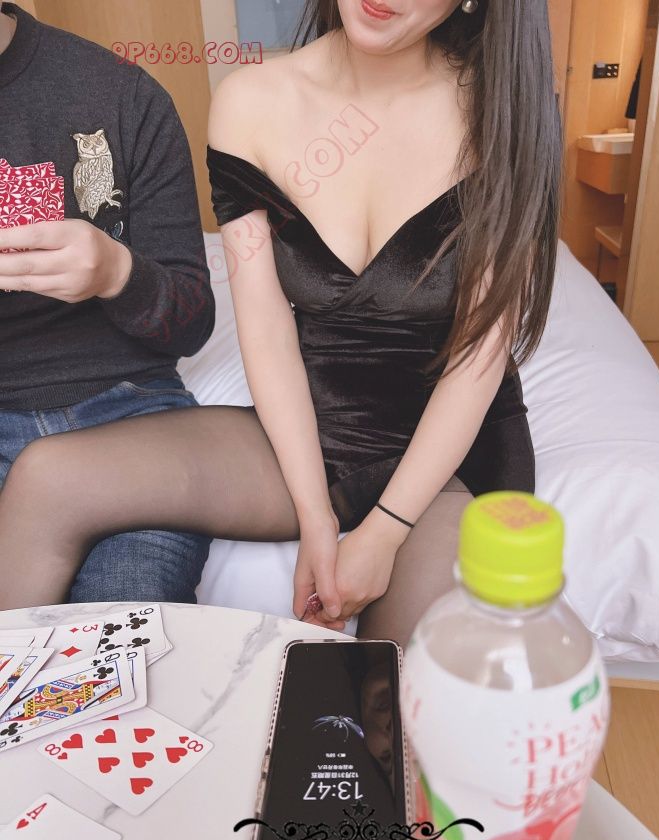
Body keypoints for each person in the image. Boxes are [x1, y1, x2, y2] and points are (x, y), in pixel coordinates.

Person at [0, 0, 561, 646]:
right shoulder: (251, 102)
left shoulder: (506, 111)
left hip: (452, 451)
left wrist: (383, 532)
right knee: (48, 477)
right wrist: (316, 518)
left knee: (386, 689)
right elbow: (266, 331)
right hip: (319, 424)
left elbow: (479, 357)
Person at [0, 3, 215, 604]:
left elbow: (194, 321)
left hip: (129, 415)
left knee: (118, 637)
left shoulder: (121, 94)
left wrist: (118, 273)